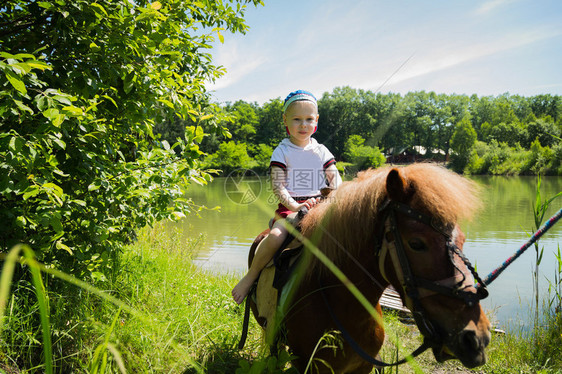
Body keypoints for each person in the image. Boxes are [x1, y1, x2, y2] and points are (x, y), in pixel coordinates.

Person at [231, 90, 341, 304]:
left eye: (309, 119)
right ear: (285, 121)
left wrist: (334, 196)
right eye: (297, 119)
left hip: (322, 205)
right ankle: (251, 276)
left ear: (316, 120)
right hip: (291, 208)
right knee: (276, 236)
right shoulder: (282, 151)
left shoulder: (321, 150)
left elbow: (335, 179)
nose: (303, 125)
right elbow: (278, 187)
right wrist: (296, 206)